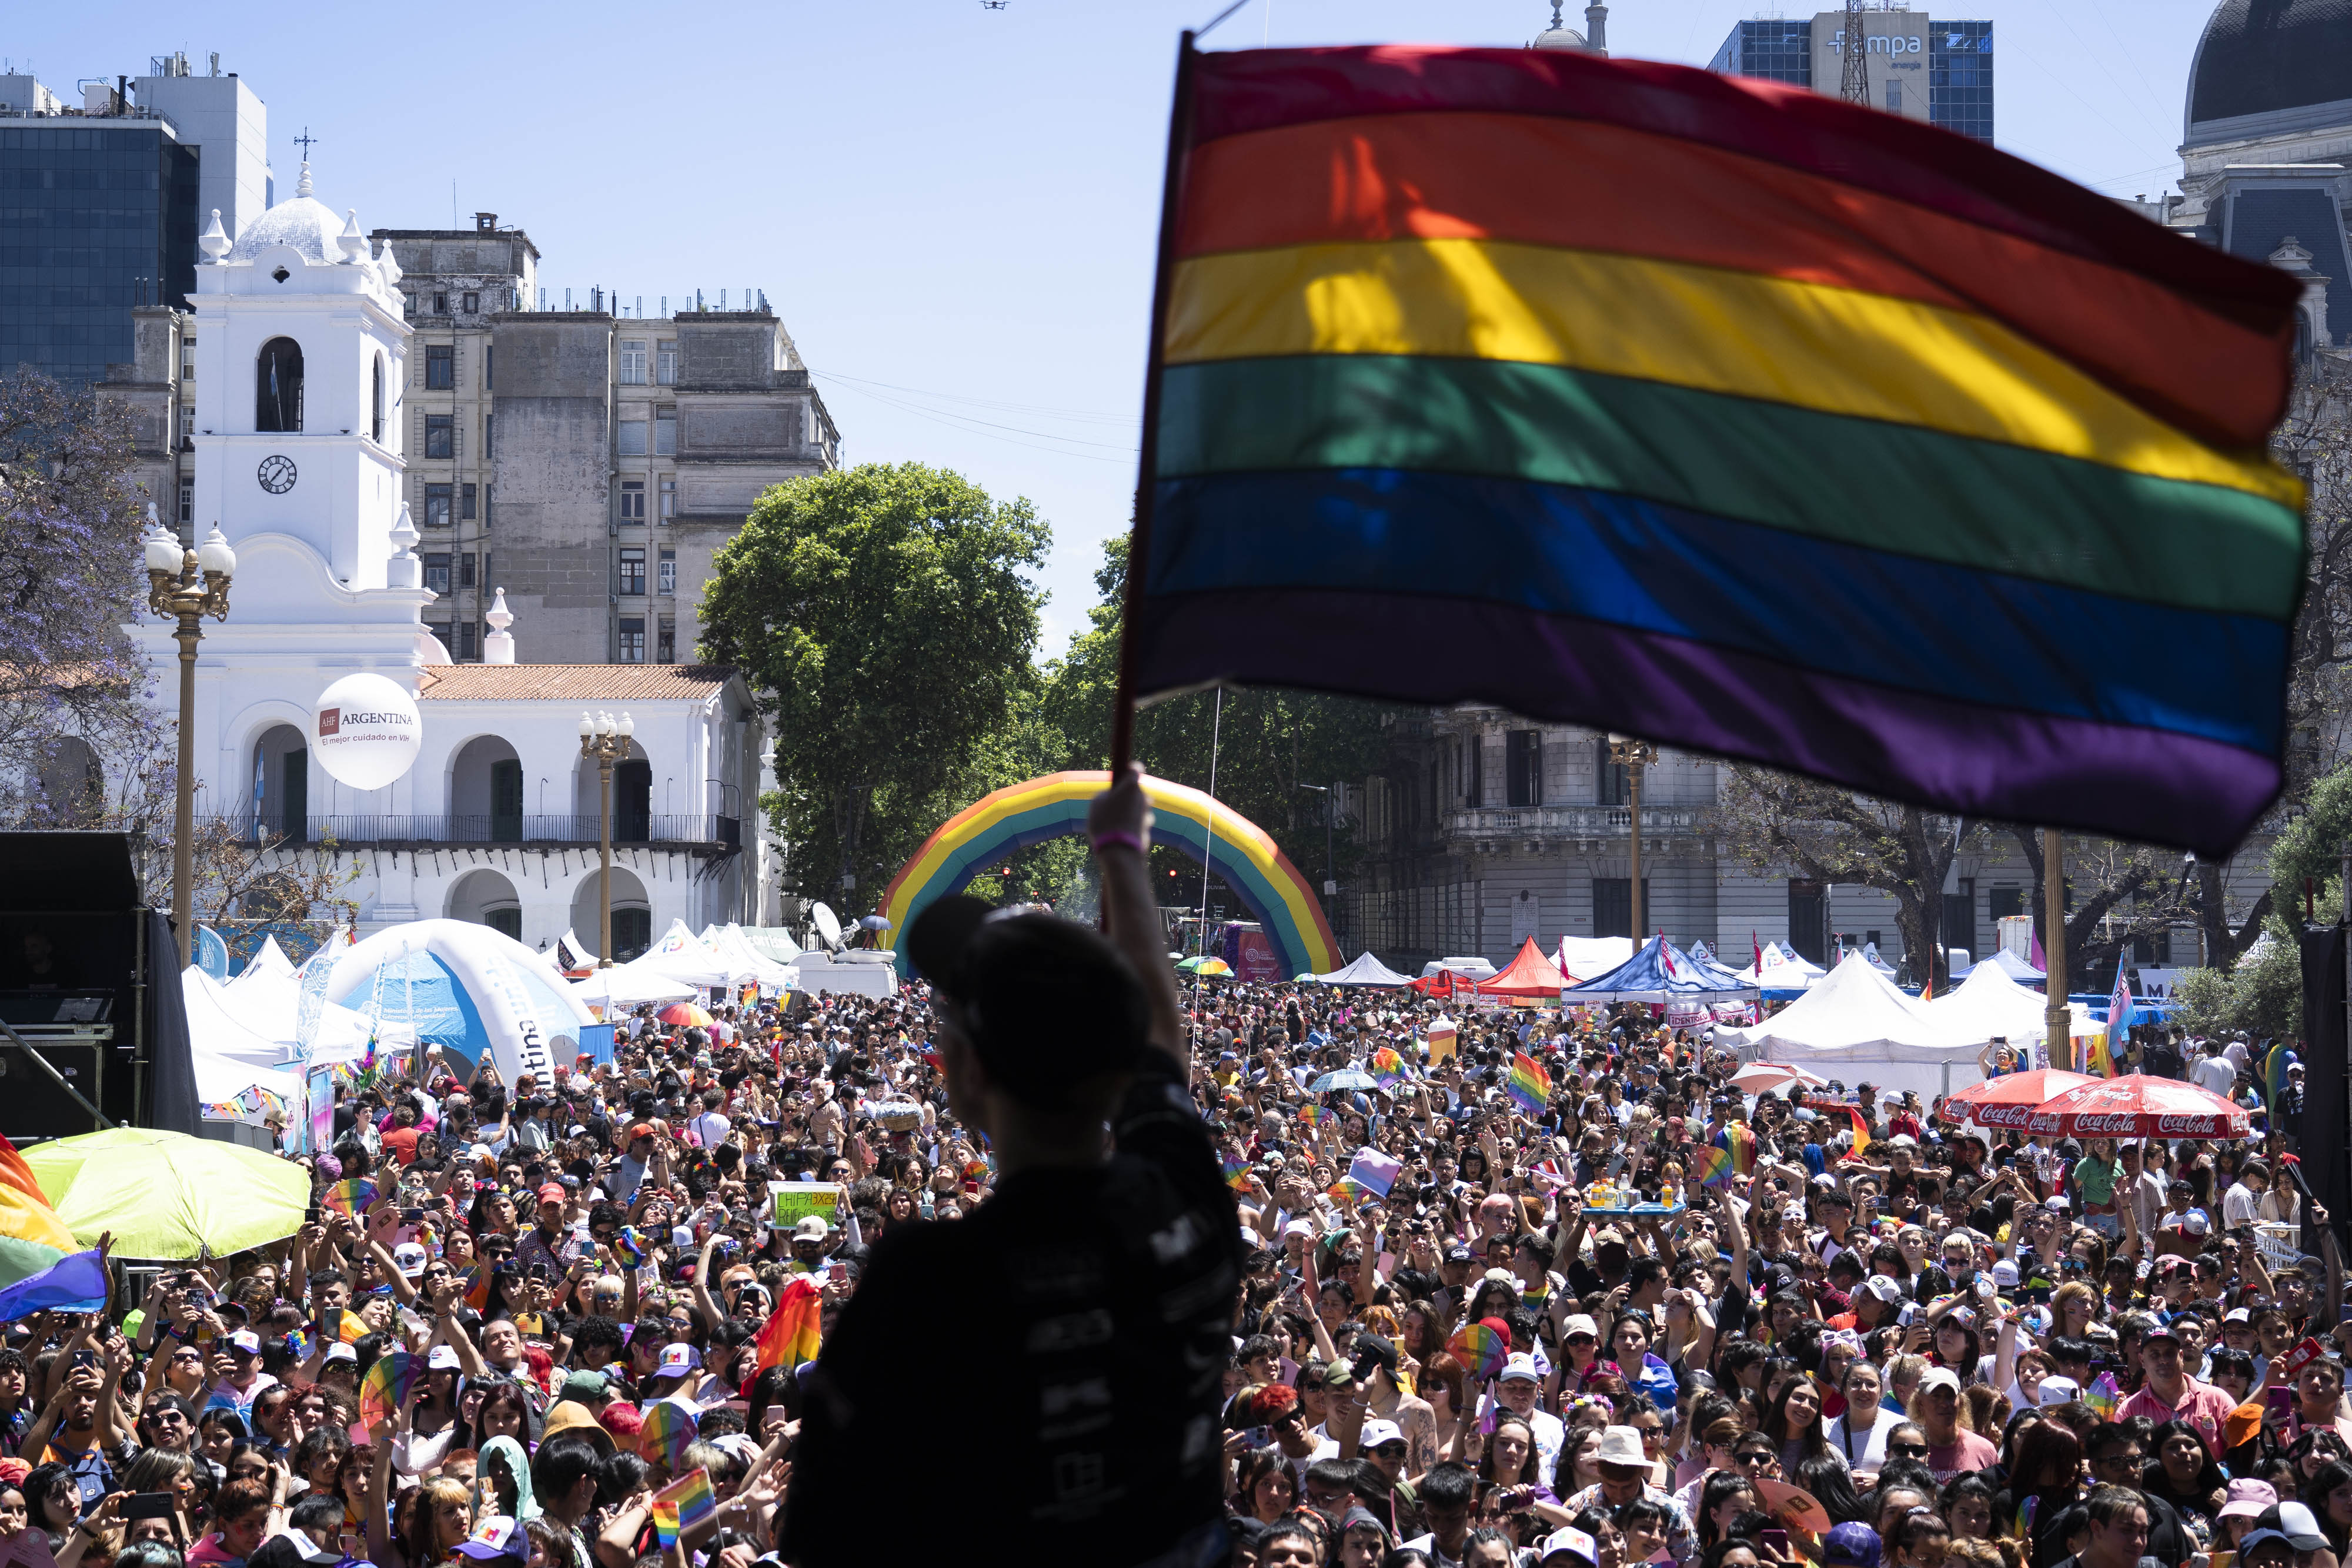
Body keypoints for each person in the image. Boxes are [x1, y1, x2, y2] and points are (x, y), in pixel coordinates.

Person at [783, 767, 1241, 1567]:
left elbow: (831, 1535)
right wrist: (1123, 853)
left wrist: (1117, 850)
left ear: (961, 1075)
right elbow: (1166, 1040)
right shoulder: (1186, 1203)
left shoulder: (924, 1285)